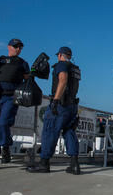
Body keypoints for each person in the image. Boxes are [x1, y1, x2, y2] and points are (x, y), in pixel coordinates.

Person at [27, 47, 82, 175]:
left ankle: (44, 163)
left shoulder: (61, 65)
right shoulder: (76, 68)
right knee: (69, 132)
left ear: (60, 55)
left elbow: (63, 80)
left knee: (50, 131)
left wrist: (56, 100)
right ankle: (74, 164)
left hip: (61, 106)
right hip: (72, 106)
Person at [0, 39, 30, 171]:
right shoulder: (0, 61)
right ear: (9, 47)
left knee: (3, 123)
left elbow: (28, 81)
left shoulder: (23, 63)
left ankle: (5, 145)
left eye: (20, 47)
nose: (18, 49)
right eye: (16, 46)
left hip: (10, 97)